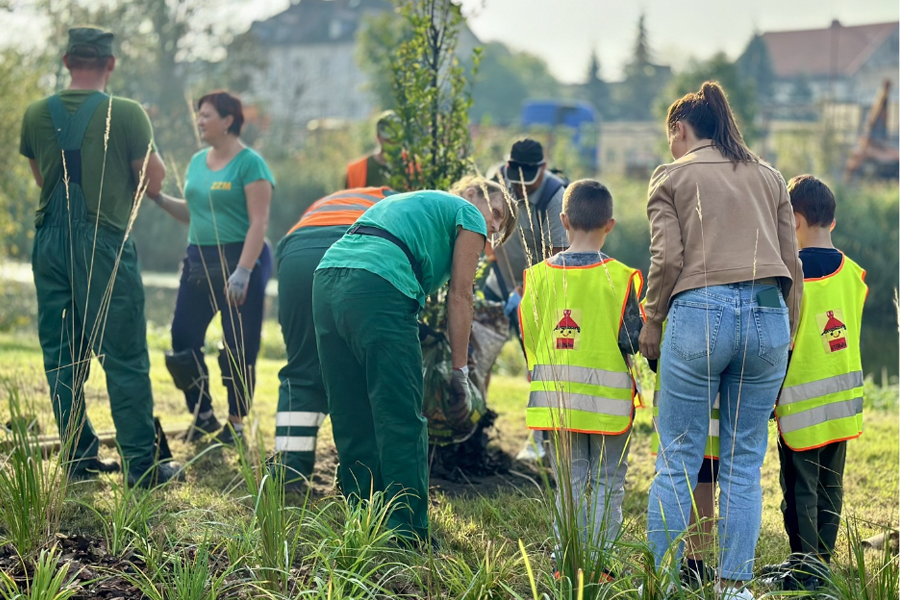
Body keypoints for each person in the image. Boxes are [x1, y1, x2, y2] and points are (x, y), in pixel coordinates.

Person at [638, 81, 803, 599]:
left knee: (679, 456)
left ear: (681, 130)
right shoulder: (771, 177)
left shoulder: (671, 176)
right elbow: (791, 266)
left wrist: (652, 318)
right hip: (768, 316)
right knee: (742, 462)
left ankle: (660, 585)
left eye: (672, 137)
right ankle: (734, 587)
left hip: (697, 313)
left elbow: (667, 261)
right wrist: (787, 338)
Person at [312, 176, 517, 545]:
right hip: (377, 284)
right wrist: (460, 373)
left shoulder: (416, 203)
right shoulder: (467, 211)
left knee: (350, 411)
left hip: (326, 280)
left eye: (501, 226)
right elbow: (460, 297)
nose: (495, 226)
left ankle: (362, 519)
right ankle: (407, 533)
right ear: (472, 193)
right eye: (498, 212)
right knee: (401, 415)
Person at [19, 26, 180, 486]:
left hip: (48, 242)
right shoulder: (127, 113)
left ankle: (78, 457)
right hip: (104, 242)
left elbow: (40, 178)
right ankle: (142, 466)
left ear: (68, 61)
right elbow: (153, 181)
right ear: (110, 64)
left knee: (61, 354)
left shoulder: (34, 114)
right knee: (125, 353)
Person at [518, 180, 643, 581]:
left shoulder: (536, 277)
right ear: (610, 224)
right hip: (610, 408)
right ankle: (603, 564)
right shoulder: (621, 278)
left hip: (558, 404)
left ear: (563, 221)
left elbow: (531, 339)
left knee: (569, 486)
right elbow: (632, 339)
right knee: (608, 483)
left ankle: (565, 561)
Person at [147, 91, 275, 445]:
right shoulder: (197, 162)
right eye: (198, 115)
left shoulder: (250, 164)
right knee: (182, 339)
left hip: (241, 259)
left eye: (206, 115)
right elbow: (193, 212)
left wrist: (245, 270)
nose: (199, 121)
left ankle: (235, 424)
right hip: (198, 261)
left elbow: (259, 222)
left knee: (237, 346)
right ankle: (202, 414)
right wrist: (157, 198)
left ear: (228, 120)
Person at [762, 175, 867, 592]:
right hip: (842, 403)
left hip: (799, 404)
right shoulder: (854, 274)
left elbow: (780, 342)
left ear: (795, 219)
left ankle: (805, 568)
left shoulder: (790, 275)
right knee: (831, 484)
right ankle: (821, 559)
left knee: (799, 488)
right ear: (834, 222)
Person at [271, 186, 396, 490]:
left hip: (296, 253)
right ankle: (359, 477)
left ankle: (290, 471)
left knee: (301, 370)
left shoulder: (328, 200)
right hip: (353, 248)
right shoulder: (396, 203)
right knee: (362, 368)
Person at [485, 138, 569, 462]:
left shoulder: (554, 198)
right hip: (501, 281)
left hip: (539, 289)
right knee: (477, 346)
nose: (518, 187)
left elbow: (558, 260)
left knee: (539, 364)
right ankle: (470, 422)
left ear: (543, 169)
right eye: (514, 177)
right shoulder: (496, 178)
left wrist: (524, 293)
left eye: (527, 179)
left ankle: (539, 440)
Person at [344, 111, 399, 188]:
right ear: (378, 137)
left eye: (394, 140)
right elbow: (347, 199)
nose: (391, 144)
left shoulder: (413, 168)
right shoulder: (356, 171)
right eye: (387, 140)